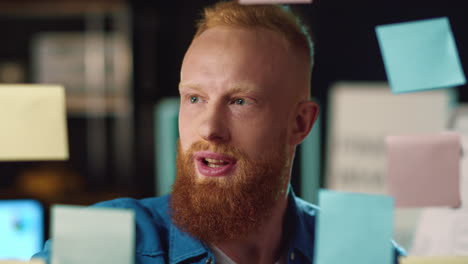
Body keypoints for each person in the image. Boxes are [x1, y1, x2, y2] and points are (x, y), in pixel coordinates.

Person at [34, 1, 404, 263]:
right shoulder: (106, 239)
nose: (209, 128)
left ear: (300, 124)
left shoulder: (362, 252)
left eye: (240, 102)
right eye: (194, 98)